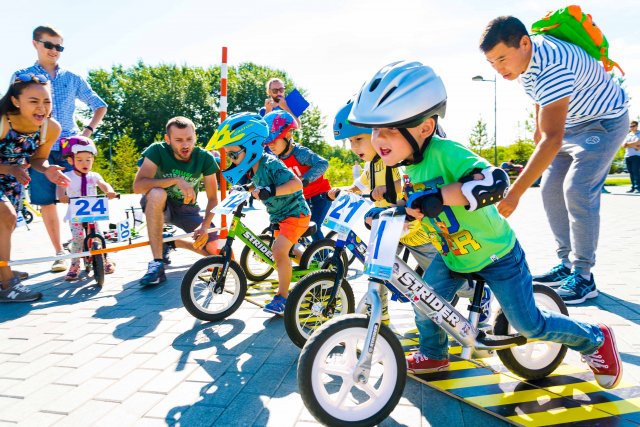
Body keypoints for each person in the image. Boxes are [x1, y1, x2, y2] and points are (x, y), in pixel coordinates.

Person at [349, 60, 622, 389]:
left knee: (529, 325)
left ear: (424, 128)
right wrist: (396, 215)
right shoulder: (408, 166)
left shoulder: (447, 152)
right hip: (452, 257)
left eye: (389, 129)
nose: (379, 139)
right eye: (375, 131)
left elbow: (495, 180)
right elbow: (419, 207)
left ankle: (594, 338)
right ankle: (434, 354)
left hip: (498, 256)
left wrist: (443, 195)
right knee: (423, 304)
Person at [479, 17, 629, 304]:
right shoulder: (524, 61)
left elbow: (552, 139)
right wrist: (538, 124)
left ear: (524, 43)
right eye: (491, 63)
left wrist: (514, 194)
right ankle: (567, 265)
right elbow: (541, 97)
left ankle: (584, 276)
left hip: (604, 122)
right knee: (550, 188)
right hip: (573, 122)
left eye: (501, 59)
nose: (499, 70)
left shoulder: (554, 67)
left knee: (577, 189)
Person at [329, 99, 441, 322]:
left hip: (416, 230)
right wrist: (344, 190)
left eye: (359, 139)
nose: (354, 147)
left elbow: (415, 183)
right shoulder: (372, 164)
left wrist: (392, 188)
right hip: (387, 225)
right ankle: (379, 311)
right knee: (375, 270)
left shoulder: (398, 159)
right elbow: (359, 185)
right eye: (351, 142)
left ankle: (478, 294)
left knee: (443, 278)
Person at [16, 25, 108, 274]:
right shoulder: (23, 76)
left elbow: (100, 105)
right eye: (49, 45)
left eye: (59, 46)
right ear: (36, 44)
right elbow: (16, 111)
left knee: (80, 198)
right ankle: (59, 252)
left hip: (71, 148)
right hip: (38, 148)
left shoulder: (72, 78)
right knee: (47, 201)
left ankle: (93, 250)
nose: (54, 51)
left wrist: (86, 132)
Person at [210, 112, 310, 315]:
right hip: (278, 216)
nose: (231, 159)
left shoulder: (270, 164)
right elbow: (253, 185)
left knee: (279, 251)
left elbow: (296, 184)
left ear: (252, 145)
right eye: (229, 155)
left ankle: (283, 297)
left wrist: (271, 190)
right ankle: (312, 266)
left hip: (295, 213)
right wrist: (241, 190)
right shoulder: (250, 169)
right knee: (287, 251)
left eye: (233, 154)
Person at [0, 72, 68, 301]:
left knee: (6, 227)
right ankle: (7, 284)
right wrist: (9, 169)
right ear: (16, 101)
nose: (42, 107)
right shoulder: (2, 121)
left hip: (13, 178)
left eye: (46, 101)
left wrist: (47, 169)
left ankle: (2, 270)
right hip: (10, 173)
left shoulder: (50, 128)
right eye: (33, 101)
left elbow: (39, 159)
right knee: (5, 217)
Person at [133, 116, 220, 286]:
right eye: (178, 140)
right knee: (158, 193)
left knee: (216, 254)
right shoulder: (157, 150)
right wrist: (175, 180)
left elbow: (212, 198)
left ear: (195, 137)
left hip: (187, 209)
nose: (185, 145)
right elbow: (138, 186)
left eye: (189, 139)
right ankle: (157, 263)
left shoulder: (205, 158)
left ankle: (172, 242)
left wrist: (204, 226)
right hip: (158, 205)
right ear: (168, 139)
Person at [264, 110, 331, 241]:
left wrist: (305, 179)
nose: (270, 145)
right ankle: (304, 255)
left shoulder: (300, 153)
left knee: (313, 227)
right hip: (302, 199)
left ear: (288, 135)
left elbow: (323, 163)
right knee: (293, 228)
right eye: (267, 142)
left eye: (274, 140)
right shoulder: (277, 159)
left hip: (320, 196)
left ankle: (324, 259)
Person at [56, 136, 117, 280]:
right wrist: (62, 196)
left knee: (99, 236)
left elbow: (103, 183)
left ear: (93, 160)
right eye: (80, 160)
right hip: (76, 214)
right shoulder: (68, 175)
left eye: (88, 160)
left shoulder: (94, 175)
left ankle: (104, 258)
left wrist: (109, 191)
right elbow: (61, 187)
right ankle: (75, 264)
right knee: (78, 238)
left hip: (93, 213)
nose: (85, 163)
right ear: (71, 160)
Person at [622, 121, 640, 193]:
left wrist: (628, 144)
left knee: (636, 172)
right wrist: (634, 145)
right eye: (630, 126)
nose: (631, 128)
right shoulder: (628, 135)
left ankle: (638, 187)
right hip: (627, 156)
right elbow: (623, 145)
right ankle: (633, 187)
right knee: (631, 172)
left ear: (637, 126)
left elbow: (638, 143)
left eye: (633, 126)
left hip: (636, 156)